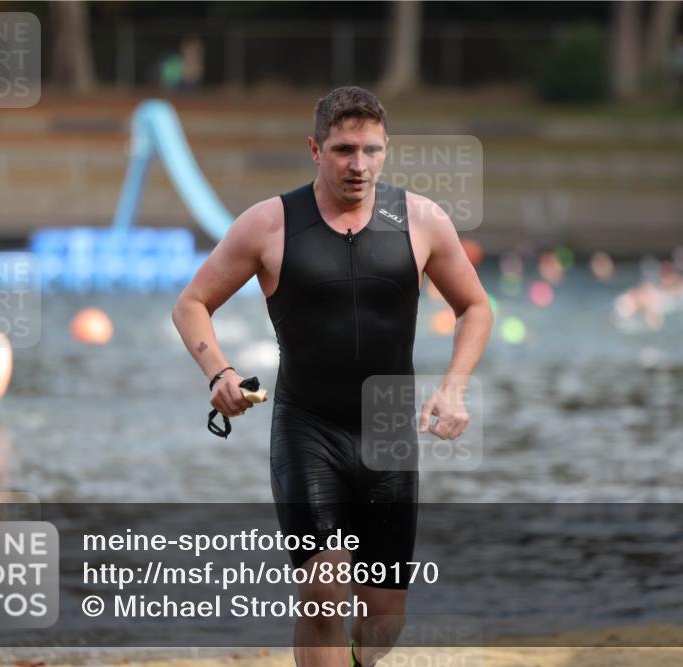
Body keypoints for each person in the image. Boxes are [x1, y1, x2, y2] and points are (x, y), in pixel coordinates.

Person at [173, 86, 493, 667]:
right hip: (307, 425)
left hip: (388, 427)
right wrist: (218, 370)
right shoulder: (270, 223)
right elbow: (192, 302)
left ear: (386, 150)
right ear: (315, 149)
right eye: (344, 149)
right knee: (322, 594)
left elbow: (475, 306)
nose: (359, 164)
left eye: (372, 150)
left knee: (383, 618)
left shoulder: (421, 220)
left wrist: (454, 385)